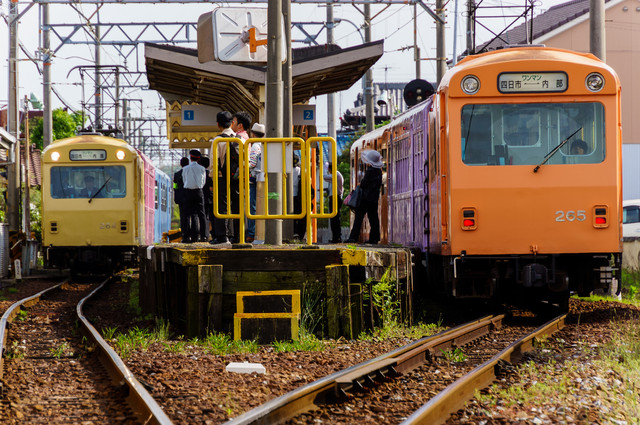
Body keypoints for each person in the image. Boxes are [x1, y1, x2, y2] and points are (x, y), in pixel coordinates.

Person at [345, 150, 383, 244]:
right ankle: (375, 238)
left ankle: (353, 237)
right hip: (374, 198)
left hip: (365, 198)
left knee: (358, 217)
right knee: (374, 218)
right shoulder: (379, 171)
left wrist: (360, 184)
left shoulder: (370, 171)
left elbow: (364, 183)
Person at [210, 111, 236, 244]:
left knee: (221, 207)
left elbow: (213, 163)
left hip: (221, 177)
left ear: (218, 124)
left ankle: (222, 237)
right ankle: (236, 235)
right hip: (236, 178)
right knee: (236, 205)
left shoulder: (217, 140)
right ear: (232, 123)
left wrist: (213, 179)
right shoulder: (240, 139)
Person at [181, 149, 207, 243]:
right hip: (198, 191)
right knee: (201, 214)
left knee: (186, 214)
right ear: (198, 158)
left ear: (190, 158)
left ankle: (186, 237)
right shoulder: (202, 169)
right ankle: (203, 236)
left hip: (188, 191)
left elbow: (184, 180)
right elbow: (203, 182)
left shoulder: (185, 169)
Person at [246, 122, 264, 243]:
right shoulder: (264, 144)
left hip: (254, 179)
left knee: (252, 207)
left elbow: (252, 163)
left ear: (252, 134)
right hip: (263, 179)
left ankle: (252, 233)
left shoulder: (255, 146)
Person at [324, 162, 344, 243]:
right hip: (335, 197)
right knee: (334, 219)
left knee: (334, 219)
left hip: (335, 198)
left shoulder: (336, 174)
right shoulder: (337, 174)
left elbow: (324, 177)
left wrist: (323, 169)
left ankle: (337, 238)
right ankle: (336, 237)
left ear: (330, 169)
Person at [173, 157, 190, 240]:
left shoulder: (177, 174)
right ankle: (192, 235)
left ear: (181, 164)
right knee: (192, 216)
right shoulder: (190, 173)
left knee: (183, 217)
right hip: (190, 197)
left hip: (181, 198)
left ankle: (185, 235)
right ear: (188, 163)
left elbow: (175, 187)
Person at [199, 156, 213, 242]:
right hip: (210, 198)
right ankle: (212, 234)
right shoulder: (210, 174)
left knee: (203, 217)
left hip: (202, 197)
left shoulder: (200, 173)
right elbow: (212, 188)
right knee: (212, 217)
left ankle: (204, 235)